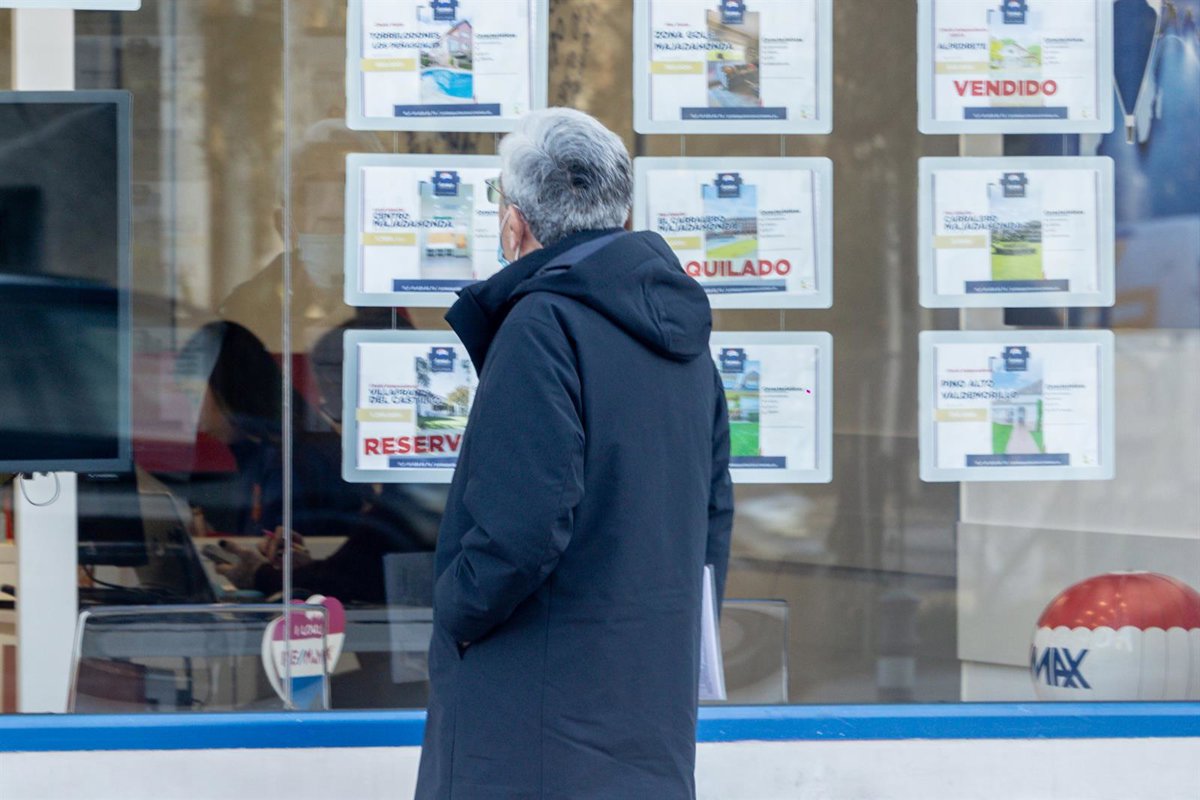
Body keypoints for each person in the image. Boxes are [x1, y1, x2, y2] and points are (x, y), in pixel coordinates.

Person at [415, 108, 734, 799]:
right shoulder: (683, 341)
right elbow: (713, 517)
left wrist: (455, 608)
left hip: (534, 730)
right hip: (647, 718)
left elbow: (520, 530)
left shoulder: (541, 325)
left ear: (516, 223)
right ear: (622, 218)